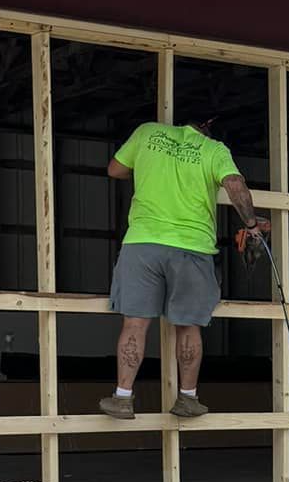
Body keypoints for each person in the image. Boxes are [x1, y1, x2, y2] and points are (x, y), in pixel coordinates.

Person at [102, 114, 266, 419]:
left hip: (142, 243)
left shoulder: (147, 132)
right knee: (188, 326)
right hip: (192, 248)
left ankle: (122, 397)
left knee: (135, 324)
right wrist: (252, 225)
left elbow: (115, 169)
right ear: (206, 126)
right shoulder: (214, 150)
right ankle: (187, 399)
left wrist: (149, 169)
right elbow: (235, 184)